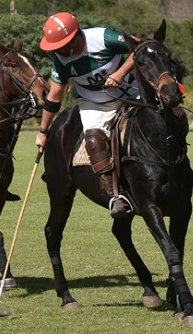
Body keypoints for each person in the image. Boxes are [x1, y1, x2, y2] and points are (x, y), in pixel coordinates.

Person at [35, 12, 139, 217]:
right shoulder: (61, 59)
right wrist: (43, 131)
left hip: (131, 94)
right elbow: (55, 94)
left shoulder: (104, 38)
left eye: (61, 45)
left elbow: (141, 48)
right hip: (94, 104)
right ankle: (115, 196)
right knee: (93, 142)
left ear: (74, 38)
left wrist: (119, 74)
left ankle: (181, 169)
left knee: (165, 117)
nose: (58, 51)